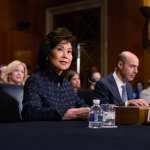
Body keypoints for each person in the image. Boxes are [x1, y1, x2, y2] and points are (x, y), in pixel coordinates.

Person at [21, 27, 90, 121]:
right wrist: (63, 113)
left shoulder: (66, 84)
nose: (65, 56)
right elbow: (29, 112)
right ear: (47, 54)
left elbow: (82, 106)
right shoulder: (35, 80)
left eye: (69, 51)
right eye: (60, 49)